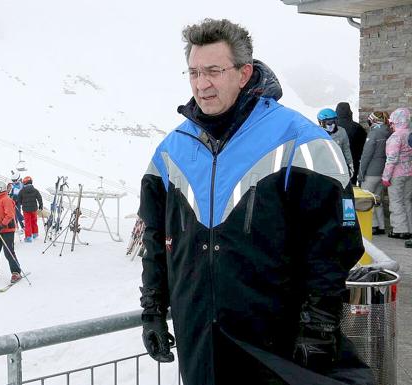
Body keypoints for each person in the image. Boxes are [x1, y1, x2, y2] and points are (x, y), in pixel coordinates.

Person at [139, 18, 373, 385]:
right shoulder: (171, 152)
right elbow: (154, 239)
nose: (202, 84)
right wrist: (153, 311)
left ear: (244, 73)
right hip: (199, 341)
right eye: (194, 72)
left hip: (276, 346)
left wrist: (319, 324)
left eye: (214, 71)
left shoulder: (300, 141)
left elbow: (333, 244)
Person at [358, 111, 391, 235]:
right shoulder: (388, 131)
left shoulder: (374, 133)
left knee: (367, 199)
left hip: (371, 172)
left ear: (373, 120)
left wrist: (361, 173)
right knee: (377, 199)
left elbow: (366, 155)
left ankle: (372, 225)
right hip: (383, 171)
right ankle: (381, 225)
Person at [381, 107, 412, 240]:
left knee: (396, 201)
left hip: (397, 174)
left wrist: (386, 177)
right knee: (407, 201)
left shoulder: (396, 136)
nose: (391, 125)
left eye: (392, 122)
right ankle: (409, 228)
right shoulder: (410, 133)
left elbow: (392, 158)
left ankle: (400, 230)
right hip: (409, 173)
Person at [317, 108, 354, 177]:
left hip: (338, 166)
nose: (332, 124)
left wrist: (350, 164)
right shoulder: (316, 132)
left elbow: (346, 149)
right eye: (328, 122)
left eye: (334, 121)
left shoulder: (341, 131)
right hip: (322, 167)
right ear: (321, 122)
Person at [336, 102, 367, 185]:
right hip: (353, 163)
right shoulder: (357, 128)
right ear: (350, 112)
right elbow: (364, 147)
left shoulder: (332, 128)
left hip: (335, 163)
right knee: (350, 188)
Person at [18, 176, 43, 242]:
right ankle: (35, 233)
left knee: (27, 223)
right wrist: (41, 205)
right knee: (34, 221)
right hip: (34, 209)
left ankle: (28, 237)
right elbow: (39, 198)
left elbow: (19, 199)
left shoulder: (22, 191)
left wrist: (21, 204)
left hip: (26, 210)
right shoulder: (35, 190)